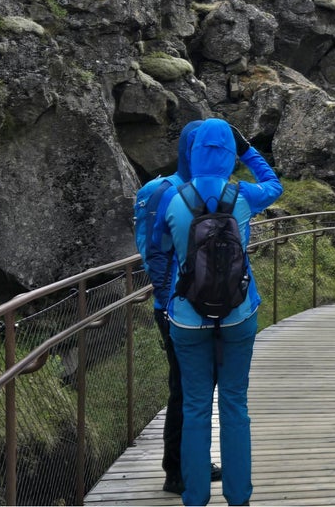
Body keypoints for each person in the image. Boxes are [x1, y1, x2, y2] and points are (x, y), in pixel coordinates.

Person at [151, 118, 282, 507]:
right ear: (228, 153)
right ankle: (238, 496)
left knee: (194, 406)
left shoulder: (172, 199)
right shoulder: (242, 196)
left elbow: (159, 257)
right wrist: (249, 150)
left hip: (187, 319)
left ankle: (195, 496)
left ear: (192, 152)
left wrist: (167, 297)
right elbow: (276, 185)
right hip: (239, 314)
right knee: (234, 404)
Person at [134, 121, 222, 496]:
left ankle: (192, 462)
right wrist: (171, 304)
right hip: (177, 309)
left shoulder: (199, 189)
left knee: (197, 388)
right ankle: (177, 471)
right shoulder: (164, 190)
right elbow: (154, 254)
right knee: (185, 388)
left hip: (204, 307)